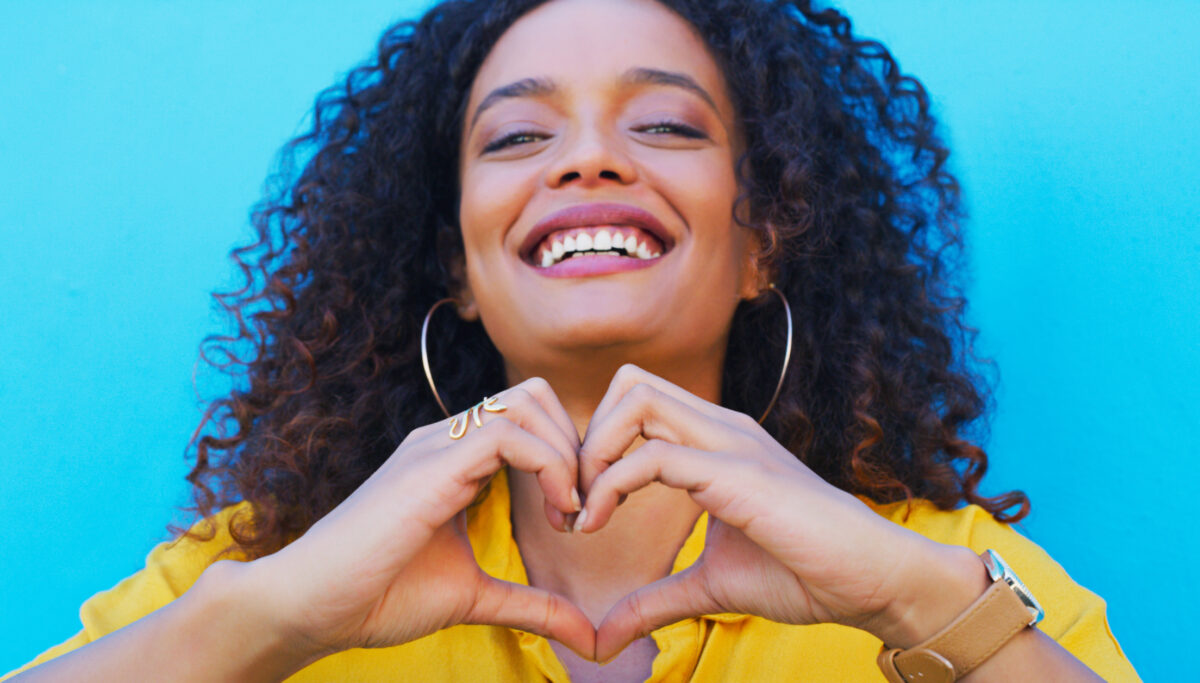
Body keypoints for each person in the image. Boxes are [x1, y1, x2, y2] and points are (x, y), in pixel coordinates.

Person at [4, 0, 1140, 681]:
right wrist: (273, 616)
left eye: (663, 123)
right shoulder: (263, 568)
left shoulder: (946, 571)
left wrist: (916, 602)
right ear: (455, 263)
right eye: (517, 136)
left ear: (765, 244)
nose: (587, 159)